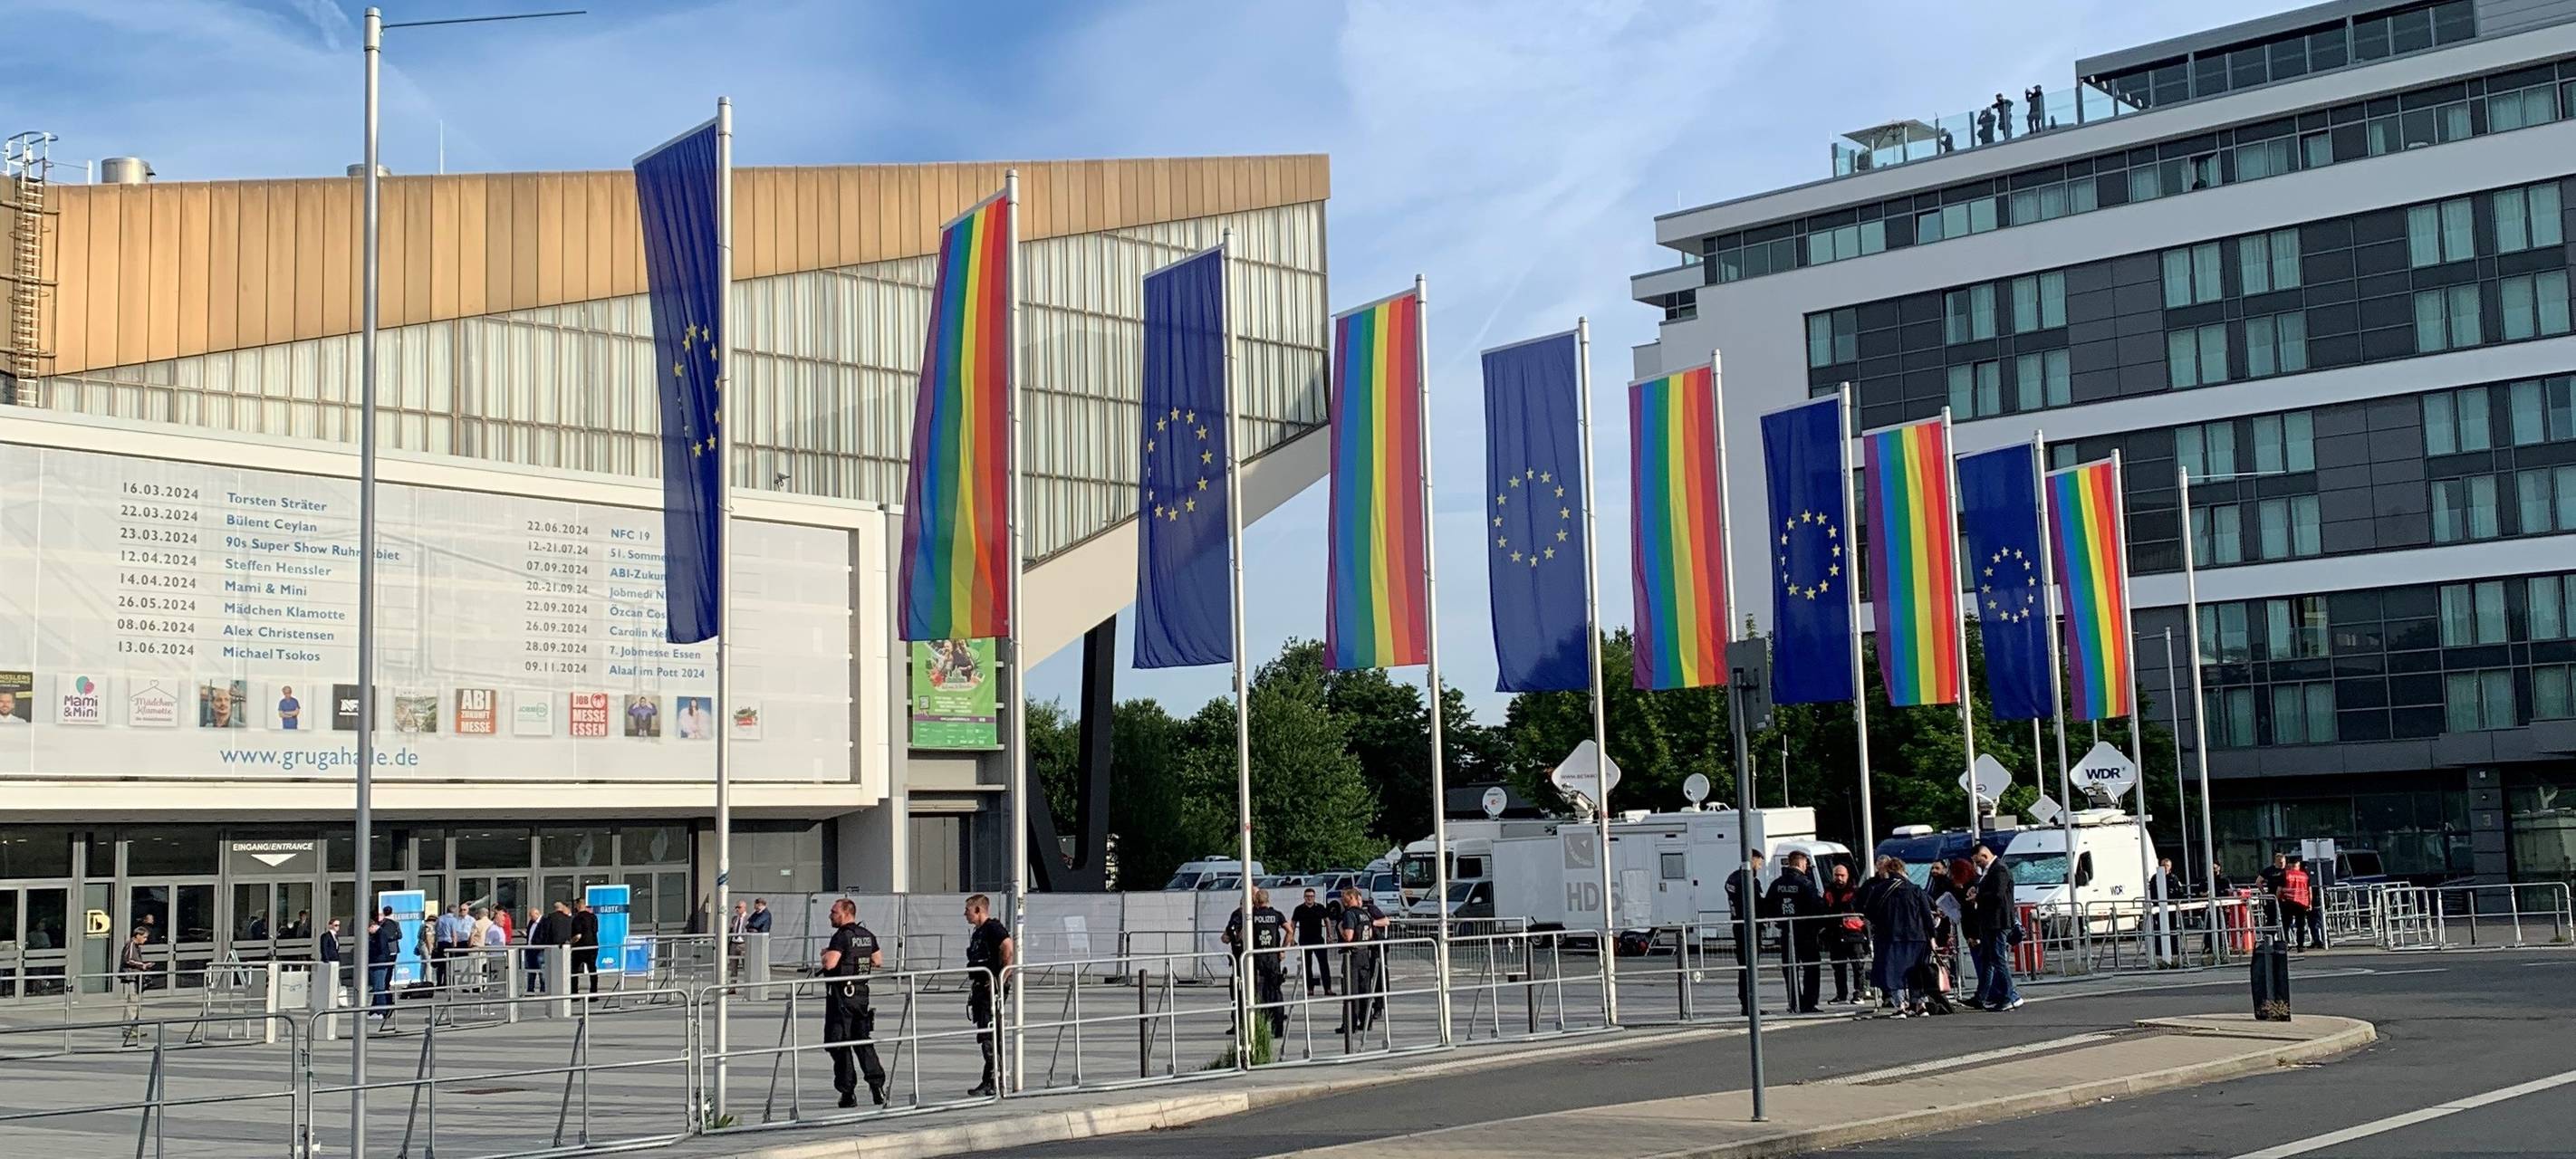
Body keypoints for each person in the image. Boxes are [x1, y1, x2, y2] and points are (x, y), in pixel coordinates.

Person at [817, 898, 889, 1108]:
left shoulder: (841, 937)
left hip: (841, 997)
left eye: (833, 912)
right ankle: (877, 1087)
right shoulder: (867, 935)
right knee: (862, 1040)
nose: (830, 916)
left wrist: (824, 955)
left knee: (838, 1042)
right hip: (861, 995)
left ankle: (847, 1091)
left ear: (846, 913)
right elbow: (878, 960)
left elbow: (830, 963)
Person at [1224, 887, 1292, 1040]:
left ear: (1256, 901)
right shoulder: (1277, 914)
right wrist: (1282, 949)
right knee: (1276, 993)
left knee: (1257, 994)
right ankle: (1278, 1028)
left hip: (1257, 959)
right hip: (1273, 959)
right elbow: (1290, 930)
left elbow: (1240, 936)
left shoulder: (1252, 917)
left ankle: (1258, 1027)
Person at [1875, 859, 1941, 1016]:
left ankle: (1901, 1007)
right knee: (1917, 971)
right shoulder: (1915, 889)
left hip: (1891, 937)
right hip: (1917, 937)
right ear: (1903, 870)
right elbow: (1926, 914)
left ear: (1887, 871)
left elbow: (1869, 910)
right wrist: (1932, 935)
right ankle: (1920, 1004)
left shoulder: (1880, 889)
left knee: (1895, 972)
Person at [963, 894, 1013, 1097]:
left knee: (990, 1035)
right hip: (981, 989)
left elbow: (1008, 948)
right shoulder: (978, 932)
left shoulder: (993, 928)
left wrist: (1000, 979)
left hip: (990, 989)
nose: (965, 914)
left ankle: (993, 1080)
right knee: (987, 1034)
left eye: (967, 910)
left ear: (978, 910)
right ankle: (990, 1079)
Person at [1765, 850, 1826, 1014]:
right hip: (1806, 931)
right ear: (1800, 863)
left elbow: (1767, 905)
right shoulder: (1805, 883)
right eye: (1806, 864)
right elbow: (1817, 906)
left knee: (1790, 968)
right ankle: (1809, 1003)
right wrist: (1819, 926)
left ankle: (1794, 1002)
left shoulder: (1777, 884)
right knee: (1811, 967)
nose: (1806, 867)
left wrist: (1779, 920)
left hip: (1786, 931)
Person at [1964, 846, 2022, 1011]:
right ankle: (1980, 996)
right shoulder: (1989, 872)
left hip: (1998, 921)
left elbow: (1998, 894)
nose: (1977, 865)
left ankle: (2010, 996)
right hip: (1989, 921)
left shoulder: (1999, 869)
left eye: (1978, 861)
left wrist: (1978, 896)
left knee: (1998, 959)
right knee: (1987, 959)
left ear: (1985, 855)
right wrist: (1978, 889)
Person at [1335, 885, 1388, 1035]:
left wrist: (1340, 928)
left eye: (1344, 897)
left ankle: (1349, 1025)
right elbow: (1370, 933)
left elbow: (1349, 937)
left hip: (1352, 956)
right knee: (1364, 991)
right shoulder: (1365, 914)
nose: (1342, 900)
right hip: (1365, 955)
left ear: (1351, 897)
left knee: (1350, 992)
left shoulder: (1349, 914)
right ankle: (1366, 1022)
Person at [1725, 849, 1768, 1016]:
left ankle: (1746, 1002)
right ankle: (1750, 1003)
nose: (1760, 866)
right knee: (1750, 967)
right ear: (1753, 860)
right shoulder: (1748, 880)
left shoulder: (1732, 878)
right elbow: (1757, 903)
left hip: (1738, 925)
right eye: (1759, 863)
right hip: (1749, 928)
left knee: (1744, 967)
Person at [1821, 861, 1867, 1004]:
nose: (1839, 878)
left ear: (1847, 876)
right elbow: (1825, 909)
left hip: (1854, 934)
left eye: (1842, 875)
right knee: (1838, 967)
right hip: (1835, 934)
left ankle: (1859, 993)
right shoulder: (1828, 891)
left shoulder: (1855, 891)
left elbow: (1861, 910)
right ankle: (1841, 995)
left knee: (1858, 965)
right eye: (1836, 875)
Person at [1856, 857, 1898, 1008]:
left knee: (1891, 963)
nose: (1882, 869)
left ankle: (1894, 995)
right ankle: (1888, 995)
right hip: (1878, 929)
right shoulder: (1870, 884)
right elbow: (1861, 903)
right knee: (1882, 963)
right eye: (1879, 866)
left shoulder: (1895, 884)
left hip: (1892, 929)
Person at [1293, 887, 1334, 996]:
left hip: (1318, 939)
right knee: (1307, 965)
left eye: (1311, 896)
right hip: (1305, 940)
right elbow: (1293, 923)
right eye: (1307, 896)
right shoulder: (1299, 909)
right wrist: (1291, 938)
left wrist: (1330, 935)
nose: (1309, 898)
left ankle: (1328, 988)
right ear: (1304, 897)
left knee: (1324, 964)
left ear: (1314, 897)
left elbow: (1327, 920)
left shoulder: (1320, 907)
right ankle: (1310, 989)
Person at [367, 905, 401, 1030]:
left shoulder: (381, 933)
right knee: (379, 986)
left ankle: (380, 1011)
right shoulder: (385, 929)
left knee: (379, 987)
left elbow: (381, 948)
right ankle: (375, 1010)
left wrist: (371, 951)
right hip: (382, 961)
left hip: (379, 962)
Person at [2281, 855, 2315, 951]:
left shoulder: (2285, 874)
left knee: (2286, 925)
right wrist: (2310, 903)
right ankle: (2300, 945)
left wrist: (2279, 899)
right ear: (2298, 864)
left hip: (2288, 902)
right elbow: (2309, 891)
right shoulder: (2305, 876)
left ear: (2289, 864)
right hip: (2302, 903)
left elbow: (2280, 890)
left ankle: (2286, 943)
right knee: (2300, 925)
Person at [570, 899, 601, 995]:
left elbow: (578, 935)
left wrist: (570, 943)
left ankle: (574, 993)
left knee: (574, 971)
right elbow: (595, 930)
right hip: (592, 946)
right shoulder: (593, 917)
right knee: (592, 969)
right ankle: (594, 993)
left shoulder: (577, 918)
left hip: (579, 948)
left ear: (578, 906)